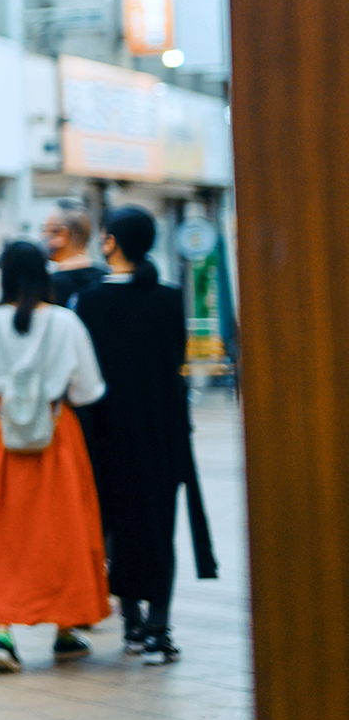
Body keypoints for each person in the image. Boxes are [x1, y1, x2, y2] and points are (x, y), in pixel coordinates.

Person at [0, 241, 109, 674]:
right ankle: (64, 629)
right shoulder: (66, 322)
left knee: (0, 536)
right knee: (62, 533)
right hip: (56, 438)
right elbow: (87, 391)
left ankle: (3, 632)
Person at [74, 205, 217, 665]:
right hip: (162, 432)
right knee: (158, 528)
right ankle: (159, 625)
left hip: (107, 433)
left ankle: (132, 624)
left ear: (112, 241)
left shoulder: (92, 302)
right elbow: (175, 363)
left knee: (115, 526)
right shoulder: (170, 298)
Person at [43, 198, 105, 309]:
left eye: (46, 229)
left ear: (62, 235)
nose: (43, 236)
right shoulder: (106, 278)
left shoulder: (48, 286)